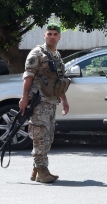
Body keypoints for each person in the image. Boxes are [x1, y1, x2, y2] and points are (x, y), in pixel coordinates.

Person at [20, 25, 71, 184]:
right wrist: (24, 98)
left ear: (59, 37)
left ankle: (37, 170)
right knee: (40, 135)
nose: (52, 37)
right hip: (39, 101)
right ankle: (42, 171)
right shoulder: (37, 53)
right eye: (49, 34)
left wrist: (64, 100)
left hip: (51, 101)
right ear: (44, 35)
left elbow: (57, 81)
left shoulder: (56, 55)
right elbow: (28, 77)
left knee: (47, 135)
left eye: (55, 34)